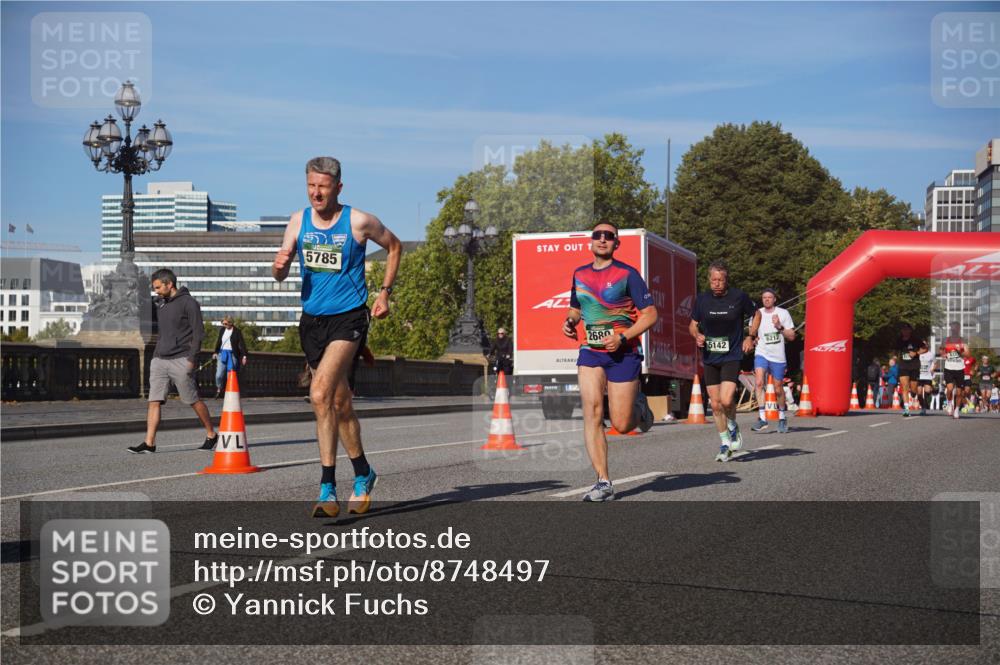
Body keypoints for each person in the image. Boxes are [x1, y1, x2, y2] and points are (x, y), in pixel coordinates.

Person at [273, 156, 401, 518]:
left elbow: (394, 246)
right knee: (340, 403)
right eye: (311, 186)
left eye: (323, 187)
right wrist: (279, 267)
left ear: (338, 188)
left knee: (319, 393)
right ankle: (363, 473)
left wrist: (384, 293)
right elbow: (279, 272)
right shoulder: (298, 222)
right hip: (313, 322)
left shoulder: (359, 221)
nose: (316, 192)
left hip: (349, 318)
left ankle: (327, 487)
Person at [562, 221, 657, 502]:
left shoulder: (628, 275)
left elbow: (650, 314)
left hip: (622, 354)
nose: (602, 239)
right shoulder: (579, 274)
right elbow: (576, 307)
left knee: (622, 423)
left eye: (609, 236)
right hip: (590, 351)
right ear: (590, 241)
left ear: (616, 243)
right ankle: (603, 481)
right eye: (597, 235)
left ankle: (639, 404)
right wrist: (570, 321)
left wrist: (624, 337)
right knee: (591, 412)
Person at [128, 269, 218, 454]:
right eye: (154, 288)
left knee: (192, 400)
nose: (156, 291)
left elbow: (198, 333)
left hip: (181, 359)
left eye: (158, 287)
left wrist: (192, 359)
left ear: (169, 284)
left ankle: (211, 434)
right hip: (160, 359)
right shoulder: (160, 304)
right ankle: (149, 442)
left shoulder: (189, 303)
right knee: (154, 400)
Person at [688, 261, 757, 462]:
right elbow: (693, 325)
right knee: (715, 405)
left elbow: (757, 314)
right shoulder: (702, 300)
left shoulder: (738, 297)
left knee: (726, 400)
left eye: (720, 280)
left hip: (731, 355)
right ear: (709, 280)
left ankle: (733, 426)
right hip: (710, 356)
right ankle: (725, 442)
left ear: (726, 280)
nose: (716, 283)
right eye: (713, 280)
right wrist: (697, 335)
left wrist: (750, 336)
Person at [750, 288, 795, 433]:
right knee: (758, 382)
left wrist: (779, 327)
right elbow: (751, 330)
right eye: (764, 298)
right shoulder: (758, 314)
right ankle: (762, 418)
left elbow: (792, 336)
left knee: (778, 389)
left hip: (778, 356)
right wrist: (753, 338)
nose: (767, 300)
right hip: (762, 353)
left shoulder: (783, 313)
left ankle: (782, 417)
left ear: (775, 299)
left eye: (769, 297)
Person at [894, 323, 927, 417]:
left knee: (913, 390)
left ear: (910, 330)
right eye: (903, 329)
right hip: (903, 366)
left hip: (914, 366)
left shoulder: (915, 339)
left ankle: (922, 404)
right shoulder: (899, 340)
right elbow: (895, 351)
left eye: (906, 329)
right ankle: (906, 409)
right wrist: (895, 356)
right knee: (904, 387)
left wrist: (916, 353)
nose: (904, 331)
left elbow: (925, 348)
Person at [212, 316, 248, 398]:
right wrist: (215, 352)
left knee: (230, 375)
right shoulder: (222, 330)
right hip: (222, 354)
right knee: (219, 375)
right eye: (223, 323)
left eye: (225, 323)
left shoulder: (237, 332)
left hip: (232, 355)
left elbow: (242, 344)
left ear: (230, 323)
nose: (223, 325)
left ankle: (229, 392)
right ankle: (219, 388)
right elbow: (218, 342)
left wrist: (244, 356)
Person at [940, 321, 969, 419]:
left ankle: (956, 409)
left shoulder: (963, 340)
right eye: (952, 328)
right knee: (950, 389)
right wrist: (944, 354)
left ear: (959, 329)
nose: (954, 330)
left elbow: (968, 354)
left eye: (956, 328)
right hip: (949, 368)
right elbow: (941, 350)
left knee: (959, 392)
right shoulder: (946, 340)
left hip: (960, 368)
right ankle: (949, 403)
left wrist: (960, 351)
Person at [918, 346, 936, 413]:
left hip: (928, 376)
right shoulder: (918, 353)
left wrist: (933, 369)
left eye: (924, 345)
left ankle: (931, 390)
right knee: (919, 394)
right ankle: (923, 406)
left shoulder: (931, 354)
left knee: (927, 391)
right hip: (919, 376)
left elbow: (935, 363)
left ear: (927, 346)